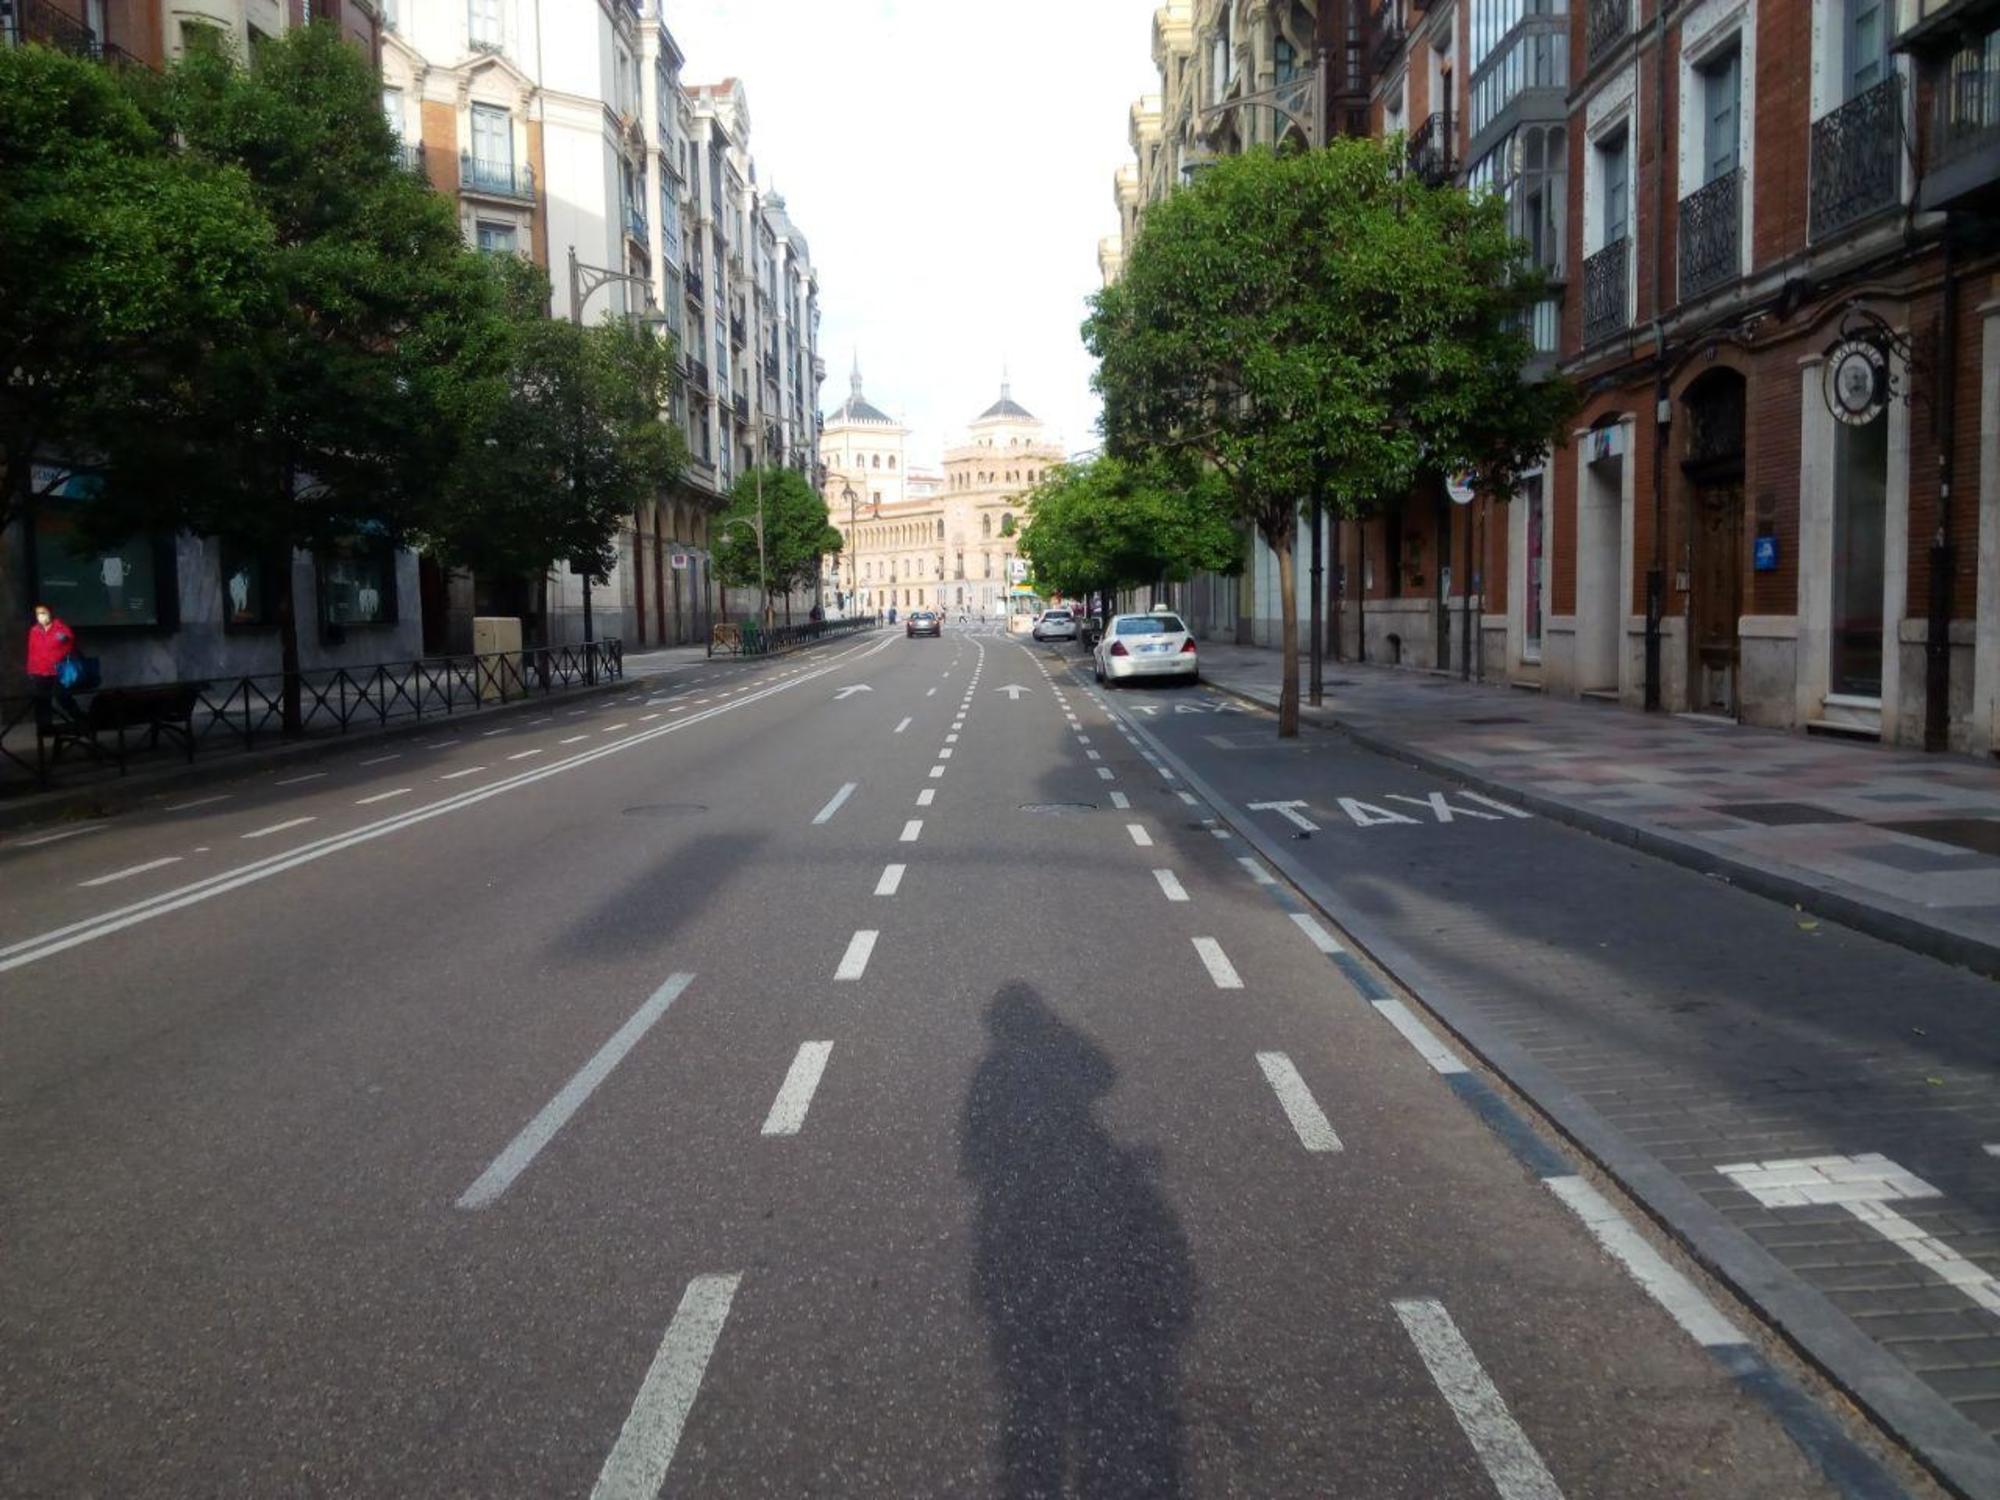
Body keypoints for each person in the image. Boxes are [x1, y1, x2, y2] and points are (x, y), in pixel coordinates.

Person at [26, 603, 77, 731]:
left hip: (58, 669)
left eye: (44, 612)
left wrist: (63, 637)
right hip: (40, 670)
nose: (41, 616)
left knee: (63, 697)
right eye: (38, 613)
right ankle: (44, 726)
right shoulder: (34, 630)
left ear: (50, 613)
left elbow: (69, 640)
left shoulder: (60, 628)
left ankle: (80, 719)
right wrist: (30, 668)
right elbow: (31, 650)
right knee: (42, 700)